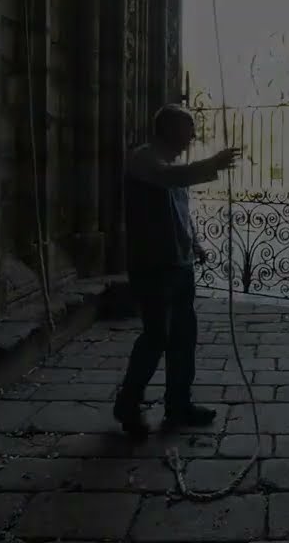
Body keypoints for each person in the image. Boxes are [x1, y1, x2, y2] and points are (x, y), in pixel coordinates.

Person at [113, 104, 242, 439]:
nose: (193, 136)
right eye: (188, 129)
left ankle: (179, 404)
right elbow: (167, 179)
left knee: (184, 338)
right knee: (156, 336)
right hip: (152, 265)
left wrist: (194, 243)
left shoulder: (174, 165)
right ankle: (128, 403)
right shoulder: (144, 159)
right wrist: (212, 165)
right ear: (168, 129)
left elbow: (181, 211)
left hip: (179, 264)